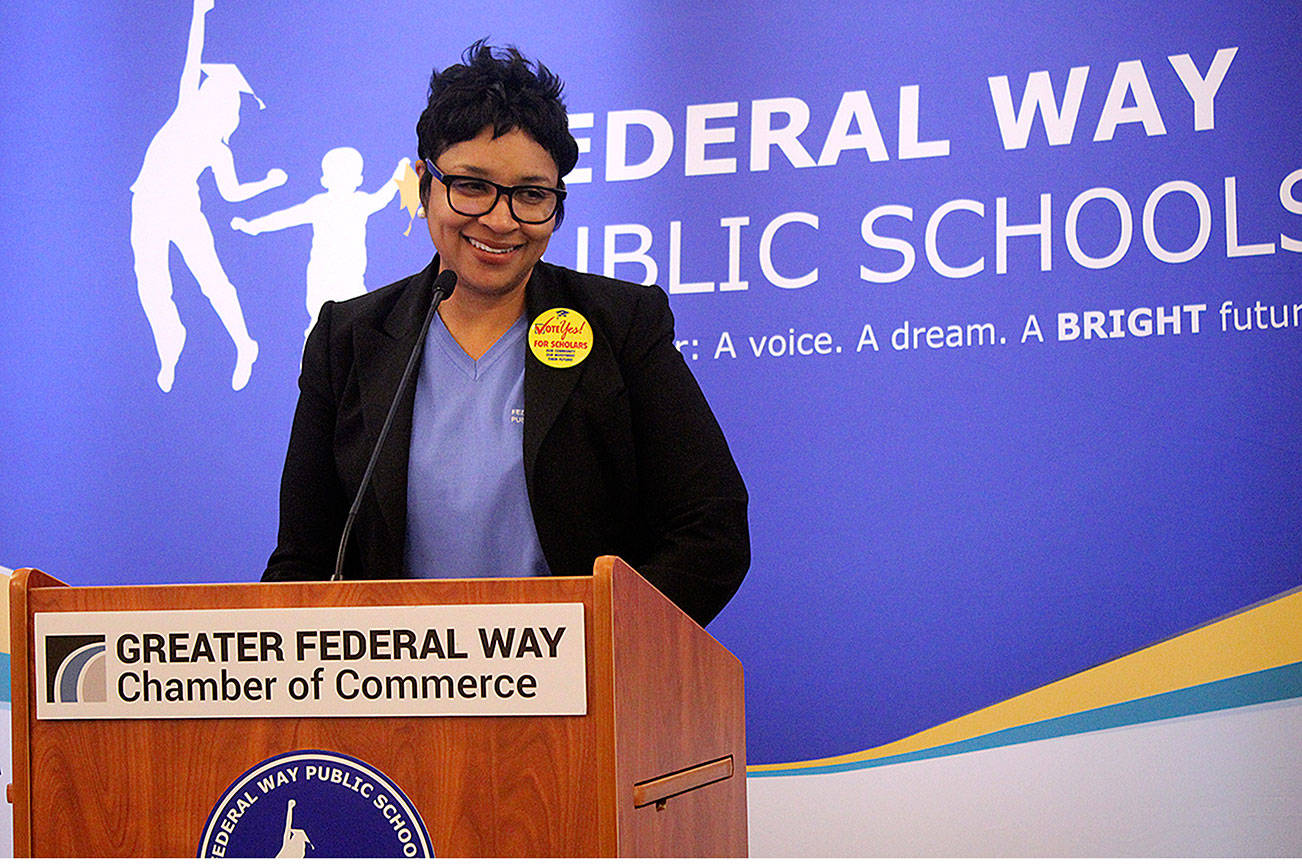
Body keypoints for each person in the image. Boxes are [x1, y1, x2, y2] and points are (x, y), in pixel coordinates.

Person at [262, 41, 748, 626]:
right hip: (394, 676)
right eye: (472, 186)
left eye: (531, 195)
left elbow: (711, 531)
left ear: (557, 205)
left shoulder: (621, 324)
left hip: (580, 672)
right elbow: (303, 563)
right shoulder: (347, 339)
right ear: (425, 184)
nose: (499, 220)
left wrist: (601, 641)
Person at [130, 0, 286, 392]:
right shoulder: (184, 111)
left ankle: (244, 343)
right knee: (150, 280)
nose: (204, 92)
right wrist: (199, 15)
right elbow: (191, 56)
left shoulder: (218, 148)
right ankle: (170, 342)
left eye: (215, 94)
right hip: (145, 203)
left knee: (211, 279)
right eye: (206, 89)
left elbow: (231, 194)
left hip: (183, 209)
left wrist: (268, 183)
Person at [232, 149, 410, 340]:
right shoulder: (319, 204)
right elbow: (287, 217)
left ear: (358, 179)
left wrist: (398, 174)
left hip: (350, 276)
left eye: (347, 174)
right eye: (336, 175)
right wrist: (254, 226)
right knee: (319, 323)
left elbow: (382, 197)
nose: (342, 180)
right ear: (324, 180)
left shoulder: (360, 202)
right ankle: (311, 356)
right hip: (322, 277)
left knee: (358, 319)